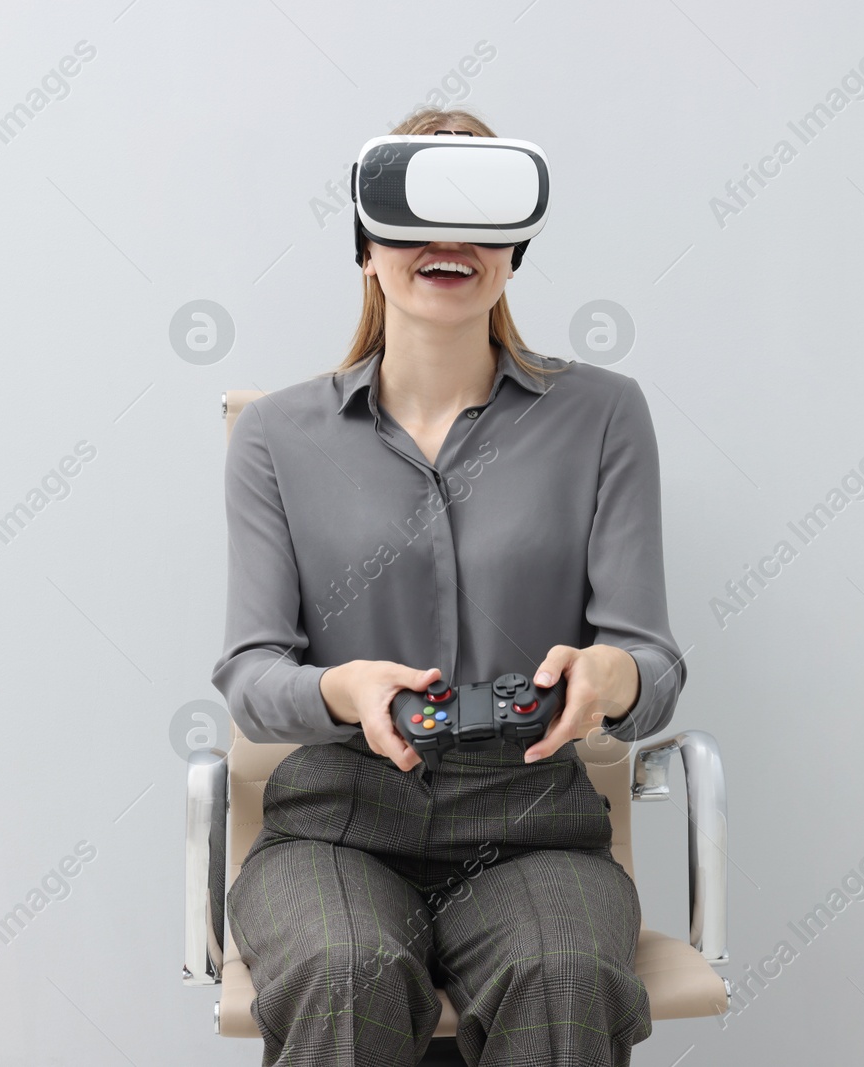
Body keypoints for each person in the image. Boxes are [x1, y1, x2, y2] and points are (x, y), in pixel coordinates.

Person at [212, 107, 688, 1067]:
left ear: (514, 249)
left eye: (480, 215)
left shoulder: (602, 415)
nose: (449, 241)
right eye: (416, 212)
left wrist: (613, 678)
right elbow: (249, 675)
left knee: (567, 974)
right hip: (336, 824)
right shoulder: (277, 436)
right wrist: (339, 690)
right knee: (346, 970)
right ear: (365, 245)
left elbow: (654, 663)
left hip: (531, 825)